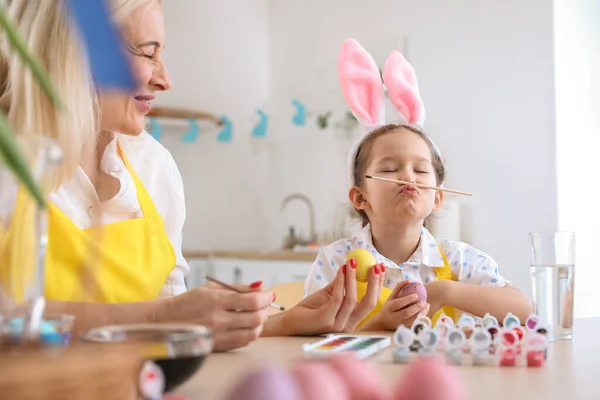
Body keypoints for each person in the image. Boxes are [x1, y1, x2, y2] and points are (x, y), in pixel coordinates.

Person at [0, 1, 384, 349]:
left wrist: (282, 322)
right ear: (76, 51)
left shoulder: (153, 166)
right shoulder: (9, 166)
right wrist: (159, 317)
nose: (164, 79)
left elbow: (171, 322)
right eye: (149, 54)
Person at [304, 38, 533, 331]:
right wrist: (379, 323)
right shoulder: (335, 261)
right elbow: (308, 335)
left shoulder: (460, 260)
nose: (408, 177)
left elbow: (523, 310)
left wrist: (446, 291)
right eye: (389, 168)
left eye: (421, 170)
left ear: (438, 197)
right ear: (360, 198)